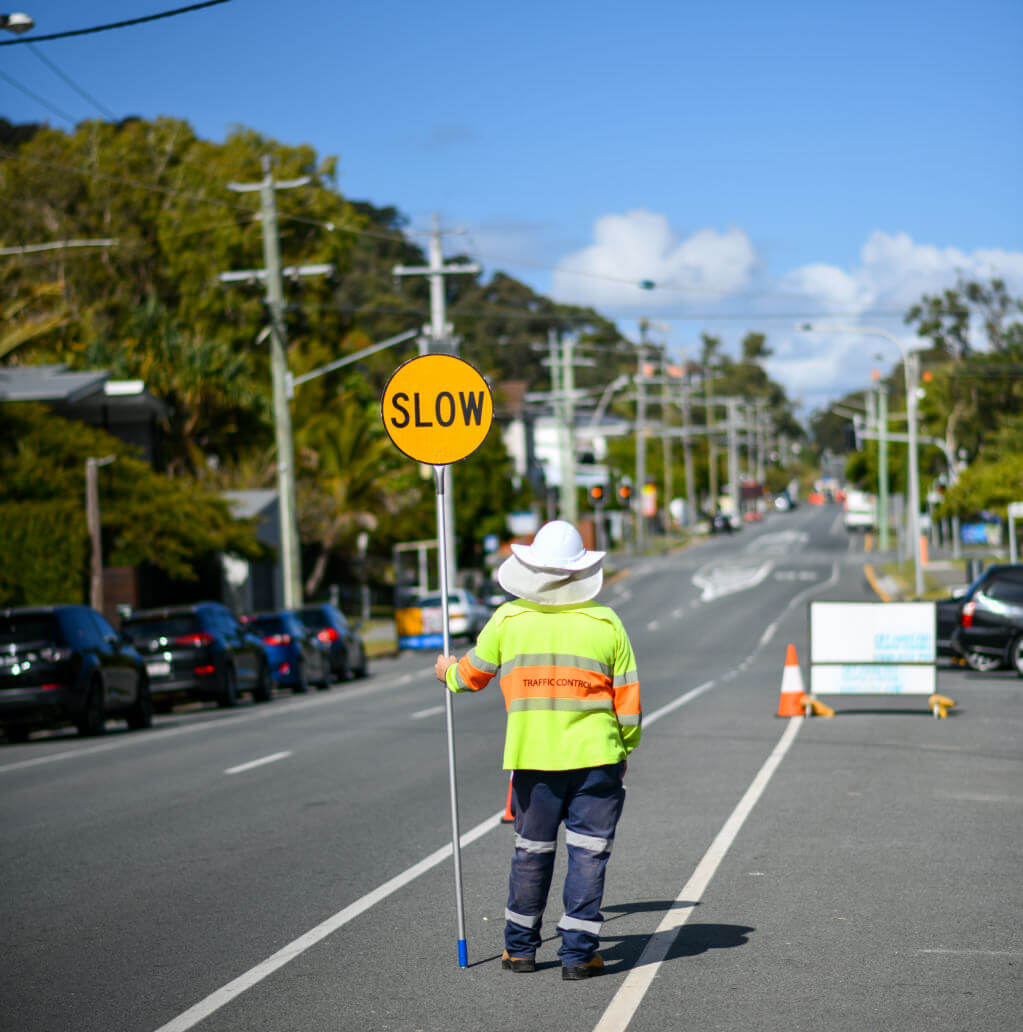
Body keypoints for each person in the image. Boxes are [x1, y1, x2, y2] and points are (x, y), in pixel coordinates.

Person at [434, 520, 641, 980]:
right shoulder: (606, 624)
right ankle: (578, 954)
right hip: (597, 760)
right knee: (588, 854)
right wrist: (623, 750)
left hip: (533, 760)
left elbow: (469, 677)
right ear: (578, 573)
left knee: (532, 852)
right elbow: (628, 706)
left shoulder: (509, 621)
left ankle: (520, 950)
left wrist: (446, 670)